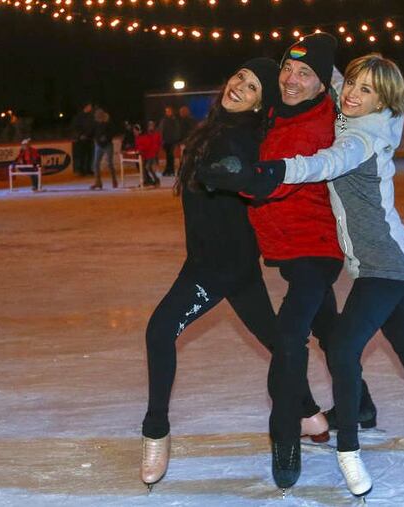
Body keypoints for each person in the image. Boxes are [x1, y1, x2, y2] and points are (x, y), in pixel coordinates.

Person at [205, 54, 404, 498]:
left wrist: (273, 169)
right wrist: (317, 56)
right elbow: (333, 82)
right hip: (386, 258)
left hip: (386, 265)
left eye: (366, 91)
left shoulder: (359, 138)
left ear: (385, 100)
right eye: (352, 86)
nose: (353, 95)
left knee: (341, 346)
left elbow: (319, 164)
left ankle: (349, 453)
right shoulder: (364, 112)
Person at [199, 33, 378, 491]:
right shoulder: (274, 110)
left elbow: (287, 176)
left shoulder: (330, 124)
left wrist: (245, 180)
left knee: (289, 334)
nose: (292, 80)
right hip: (281, 244)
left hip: (316, 247)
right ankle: (360, 403)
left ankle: (285, 439)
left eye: (305, 74)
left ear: (323, 85)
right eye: (288, 70)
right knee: (328, 328)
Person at [141, 57, 295, 490]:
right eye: (239, 78)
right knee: (278, 342)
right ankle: (312, 414)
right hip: (219, 262)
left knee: (158, 332)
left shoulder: (246, 137)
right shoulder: (209, 130)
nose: (239, 87)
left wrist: (236, 174)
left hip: (220, 267)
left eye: (251, 88)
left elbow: (254, 176)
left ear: (259, 105)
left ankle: (156, 431)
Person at [90, 108, 118, 190]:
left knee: (109, 163)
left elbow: (112, 132)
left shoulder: (108, 123)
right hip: (98, 145)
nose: (97, 118)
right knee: (95, 164)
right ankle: (98, 182)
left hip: (107, 145)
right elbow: (92, 132)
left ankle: (114, 180)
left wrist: (106, 137)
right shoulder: (95, 123)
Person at [136, 120, 162, 187]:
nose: (151, 127)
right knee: (145, 168)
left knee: (148, 167)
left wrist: (157, 151)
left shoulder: (156, 134)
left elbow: (159, 143)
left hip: (152, 153)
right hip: (147, 153)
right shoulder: (147, 134)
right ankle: (148, 180)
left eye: (152, 125)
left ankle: (155, 180)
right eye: (149, 125)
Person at [71, 102, 95, 176]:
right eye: (90, 106)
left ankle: (88, 169)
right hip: (81, 139)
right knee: (82, 155)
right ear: (86, 107)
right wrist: (80, 135)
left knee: (90, 155)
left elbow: (92, 127)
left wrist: (90, 135)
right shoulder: (79, 116)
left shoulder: (91, 116)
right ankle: (81, 170)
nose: (91, 108)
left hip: (90, 138)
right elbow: (75, 127)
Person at [159, 106, 181, 176]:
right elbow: (161, 130)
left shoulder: (174, 120)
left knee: (170, 155)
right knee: (168, 156)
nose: (167, 112)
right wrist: (161, 140)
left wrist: (176, 140)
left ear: (172, 111)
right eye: (166, 111)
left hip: (172, 141)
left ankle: (170, 170)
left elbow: (177, 130)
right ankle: (168, 170)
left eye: (168, 111)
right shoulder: (164, 120)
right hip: (166, 141)